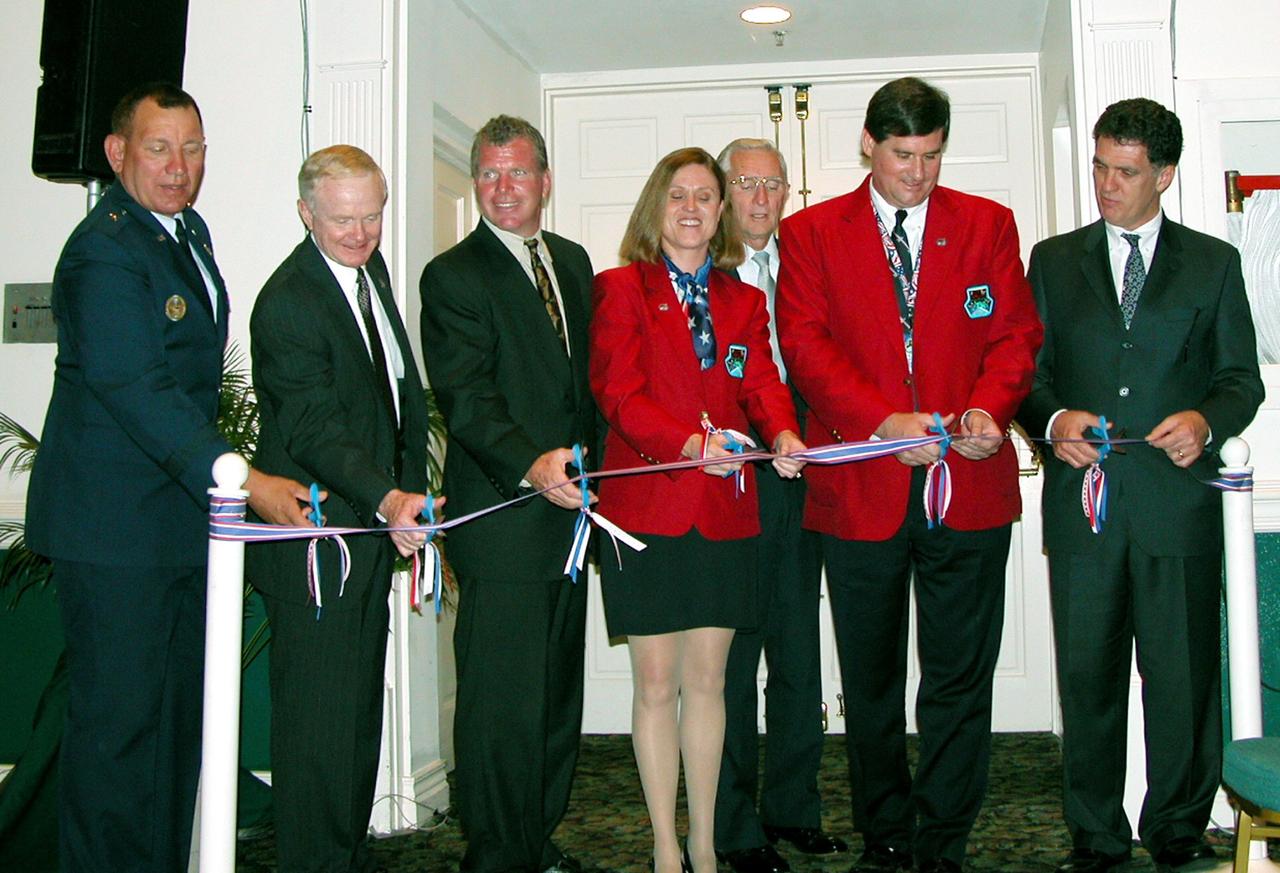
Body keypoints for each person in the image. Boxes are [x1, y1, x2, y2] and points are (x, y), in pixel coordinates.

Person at [23, 82, 314, 873]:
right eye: (159, 148)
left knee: (174, 730)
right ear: (118, 153)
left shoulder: (187, 232)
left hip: (179, 524)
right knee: (118, 738)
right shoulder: (102, 250)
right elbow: (136, 388)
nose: (178, 166)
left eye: (192, 148)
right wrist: (245, 479)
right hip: (113, 532)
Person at [774, 77, 1043, 873]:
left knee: (959, 676)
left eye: (931, 155)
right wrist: (883, 423)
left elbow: (1015, 335)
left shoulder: (988, 224)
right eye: (902, 155)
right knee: (872, 679)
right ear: (869, 143)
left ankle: (943, 839)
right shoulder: (811, 233)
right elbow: (806, 346)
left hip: (970, 485)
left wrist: (987, 410)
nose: (917, 173)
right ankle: (886, 834)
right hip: (862, 489)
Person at [1017, 98, 1264, 873]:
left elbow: (1241, 378)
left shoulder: (1212, 264)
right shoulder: (1052, 261)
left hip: (1177, 506)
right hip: (1084, 510)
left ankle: (1178, 828)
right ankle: (1096, 833)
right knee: (1087, 678)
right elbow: (1024, 376)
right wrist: (1052, 418)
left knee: (1181, 680)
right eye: (1099, 166)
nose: (1106, 184)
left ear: (1164, 174)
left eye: (1125, 171)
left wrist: (1205, 420)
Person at [591, 146, 807, 873]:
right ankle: (663, 846)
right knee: (657, 683)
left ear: (721, 213)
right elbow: (618, 394)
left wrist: (783, 433)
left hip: (722, 514)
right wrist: (690, 444)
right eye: (678, 195)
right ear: (656, 207)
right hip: (646, 515)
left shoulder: (742, 300)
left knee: (710, 682)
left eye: (706, 197)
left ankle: (706, 847)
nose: (692, 208)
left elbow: (763, 383)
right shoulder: (620, 289)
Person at [247, 144, 436, 873]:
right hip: (315, 546)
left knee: (355, 723)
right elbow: (314, 429)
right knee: (317, 735)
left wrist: (408, 497)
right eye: (342, 220)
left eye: (371, 216)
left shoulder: (369, 272)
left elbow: (398, 400)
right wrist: (389, 498)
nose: (360, 234)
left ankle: (344, 857)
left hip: (368, 539)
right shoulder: (288, 302)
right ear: (306, 213)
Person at [420, 115, 596, 873]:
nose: (502, 187)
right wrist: (533, 464)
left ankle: (535, 837)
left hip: (574, 523)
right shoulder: (453, 275)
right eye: (489, 174)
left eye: (517, 171)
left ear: (544, 181)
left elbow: (586, 388)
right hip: (504, 521)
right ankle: (495, 854)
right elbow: (466, 398)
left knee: (554, 698)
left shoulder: (573, 262)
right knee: (500, 704)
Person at [711, 138, 845, 873]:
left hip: (805, 474)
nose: (761, 198)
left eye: (773, 184)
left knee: (798, 649)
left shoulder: (811, 262)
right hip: (731, 481)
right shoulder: (701, 270)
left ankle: (794, 808)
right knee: (732, 661)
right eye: (745, 183)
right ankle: (734, 827)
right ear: (724, 191)